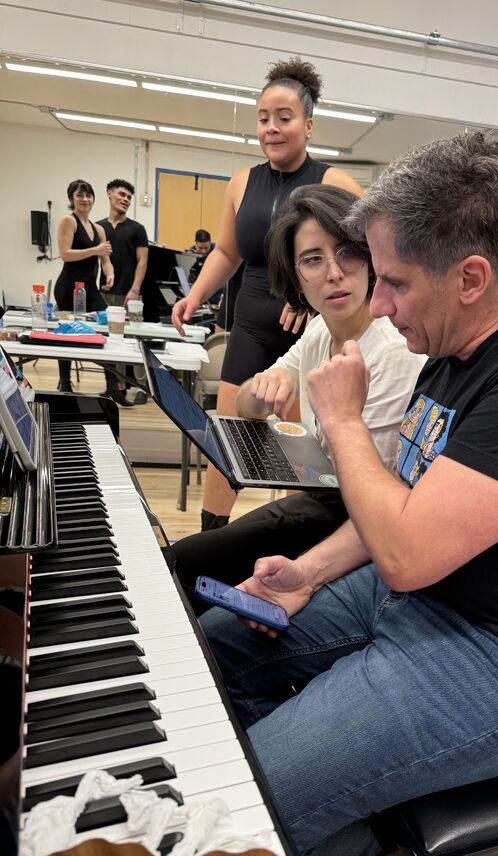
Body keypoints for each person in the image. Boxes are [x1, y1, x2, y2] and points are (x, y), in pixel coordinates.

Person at [198, 131, 498, 856]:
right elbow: (401, 505)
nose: (377, 302)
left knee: (257, 796)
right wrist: (308, 574)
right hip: (427, 599)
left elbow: (407, 554)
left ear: (470, 276)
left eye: (394, 281)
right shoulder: (447, 350)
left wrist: (340, 419)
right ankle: (314, 821)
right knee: (220, 642)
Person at [173, 184, 425, 612]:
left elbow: (376, 499)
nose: (333, 273)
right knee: (182, 561)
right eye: (313, 259)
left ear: (370, 259)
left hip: (353, 526)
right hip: (320, 500)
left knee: (189, 570)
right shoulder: (320, 331)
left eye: (347, 252)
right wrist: (263, 387)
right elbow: (248, 408)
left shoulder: (391, 351)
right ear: (295, 276)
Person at [171, 57, 364, 533]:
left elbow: (367, 253)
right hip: (252, 325)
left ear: (308, 124)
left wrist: (311, 296)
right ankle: (210, 535)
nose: (272, 128)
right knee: (228, 441)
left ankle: (305, 537)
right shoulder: (242, 183)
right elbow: (227, 251)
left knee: (302, 453)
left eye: (284, 117)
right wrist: (194, 297)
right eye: (263, 119)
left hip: (310, 333)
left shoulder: (334, 182)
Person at [54, 180, 113, 391]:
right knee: (68, 330)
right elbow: (65, 254)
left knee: (107, 326)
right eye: (80, 195)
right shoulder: (68, 221)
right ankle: (65, 381)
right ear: (72, 198)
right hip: (68, 284)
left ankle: (113, 386)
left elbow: (105, 258)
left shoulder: (99, 228)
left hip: (90, 286)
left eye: (88, 195)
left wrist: (110, 274)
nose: (85, 200)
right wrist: (95, 250)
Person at [97, 178, 149, 406]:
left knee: (133, 342)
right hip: (105, 293)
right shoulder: (99, 227)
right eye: (122, 194)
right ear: (109, 194)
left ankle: (141, 387)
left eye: (129, 197)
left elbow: (142, 262)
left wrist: (135, 290)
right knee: (108, 341)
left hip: (130, 295)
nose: (126, 199)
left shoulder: (137, 229)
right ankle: (115, 387)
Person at [187, 228, 224, 307]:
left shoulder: (217, 251)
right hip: (200, 291)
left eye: (206, 248)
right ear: (196, 244)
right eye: (200, 248)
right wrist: (192, 257)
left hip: (217, 290)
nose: (203, 251)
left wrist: (203, 257)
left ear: (210, 243)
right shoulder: (191, 252)